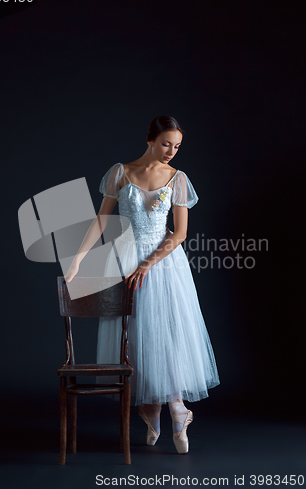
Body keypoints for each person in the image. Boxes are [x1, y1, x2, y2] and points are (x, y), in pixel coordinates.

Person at [65, 115, 220, 454]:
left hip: (164, 264)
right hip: (125, 258)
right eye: (166, 143)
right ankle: (155, 407)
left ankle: (174, 407)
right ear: (150, 139)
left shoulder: (178, 179)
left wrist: (149, 264)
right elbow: (101, 221)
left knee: (168, 331)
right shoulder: (121, 172)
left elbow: (179, 234)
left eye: (177, 146)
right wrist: (78, 259)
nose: (171, 152)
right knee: (136, 333)